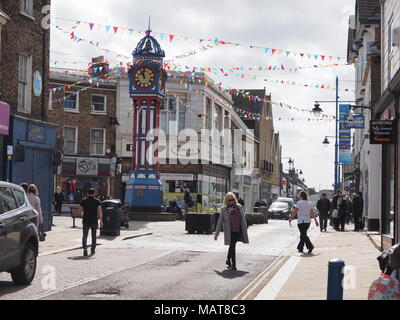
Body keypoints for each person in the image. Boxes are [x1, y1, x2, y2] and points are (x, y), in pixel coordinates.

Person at [214, 192, 249, 271]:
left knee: (232, 245)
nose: (231, 201)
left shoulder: (239, 207)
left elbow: (243, 218)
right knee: (233, 246)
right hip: (230, 231)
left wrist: (245, 228)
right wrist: (216, 234)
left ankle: (228, 259)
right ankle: (233, 263)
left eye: (233, 199)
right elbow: (219, 222)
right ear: (226, 201)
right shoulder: (224, 209)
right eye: (229, 200)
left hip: (238, 230)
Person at [79, 188, 103, 257]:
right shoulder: (97, 201)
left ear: (87, 193)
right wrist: (101, 221)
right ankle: (93, 249)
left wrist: (83, 215)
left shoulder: (83, 200)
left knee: (85, 235)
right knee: (94, 236)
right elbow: (100, 211)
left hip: (86, 220)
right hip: (94, 220)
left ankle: (85, 248)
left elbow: (79, 211)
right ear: (94, 193)